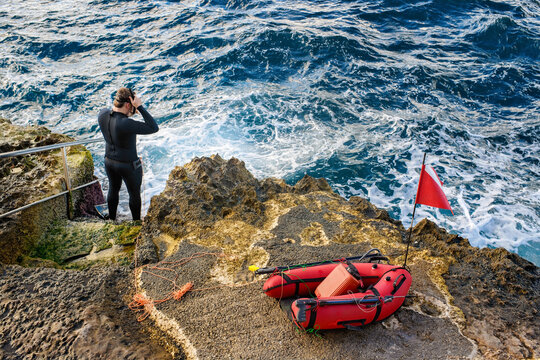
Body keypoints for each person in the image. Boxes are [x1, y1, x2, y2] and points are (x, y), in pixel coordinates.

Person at [98, 87, 159, 221]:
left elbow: (113, 116)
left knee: (113, 189)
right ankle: (136, 224)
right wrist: (140, 108)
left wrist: (132, 108)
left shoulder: (102, 115)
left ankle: (112, 220)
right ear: (127, 104)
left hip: (109, 161)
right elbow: (154, 127)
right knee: (134, 195)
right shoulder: (126, 123)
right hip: (128, 166)